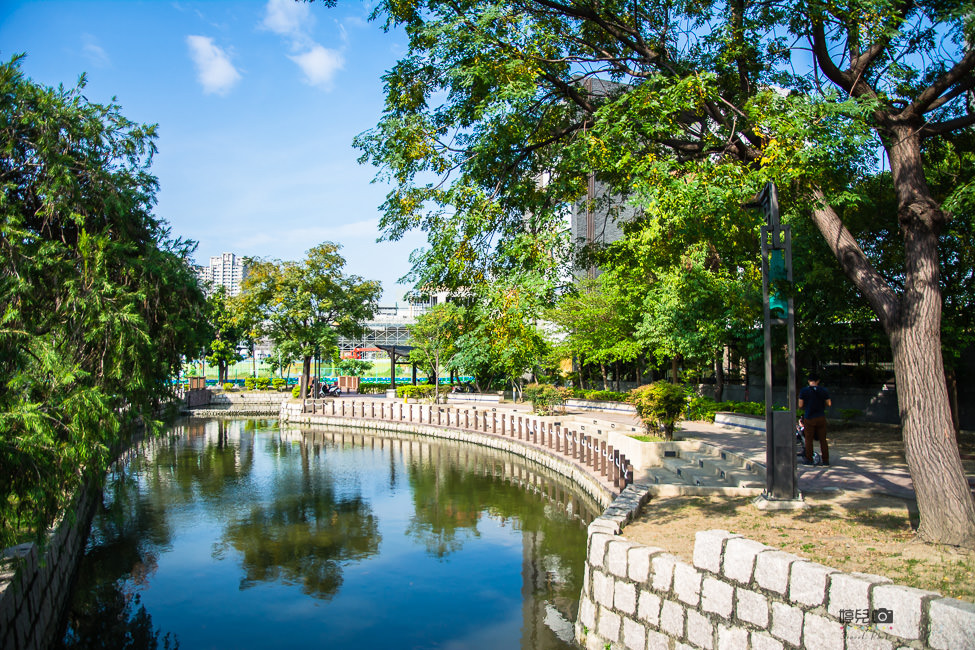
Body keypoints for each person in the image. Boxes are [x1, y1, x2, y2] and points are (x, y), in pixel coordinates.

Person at [798, 372, 831, 465]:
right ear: (818, 381)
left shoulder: (804, 391)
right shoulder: (823, 390)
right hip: (821, 416)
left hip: (809, 417)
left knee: (809, 439)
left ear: (809, 381)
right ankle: (825, 460)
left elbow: (800, 404)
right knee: (823, 439)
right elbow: (829, 403)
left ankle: (809, 459)